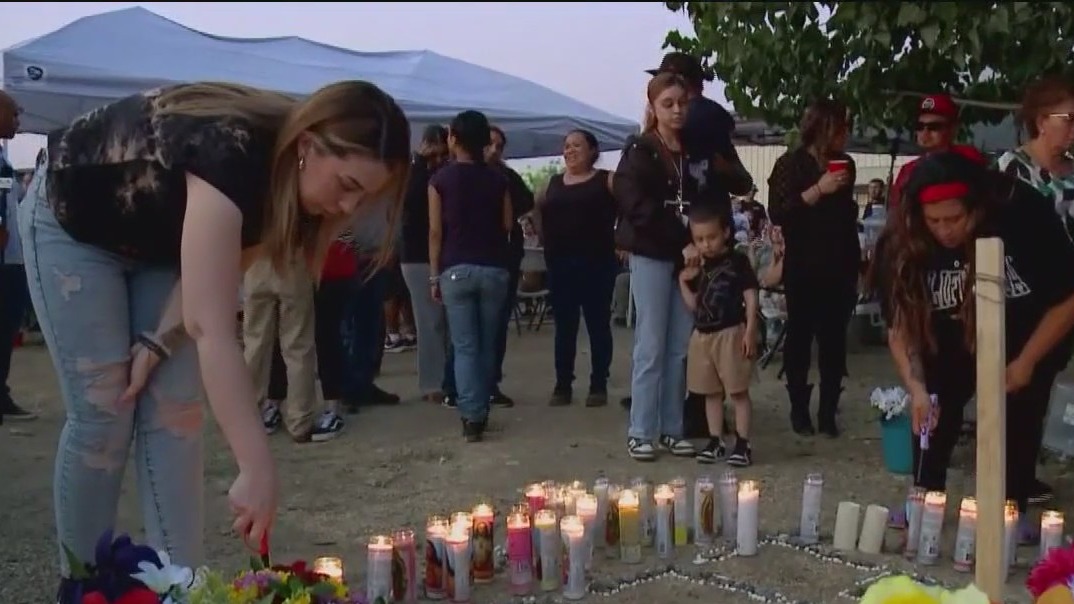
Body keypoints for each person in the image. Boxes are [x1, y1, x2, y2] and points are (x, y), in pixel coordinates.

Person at [19, 81, 410, 594]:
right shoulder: (235, 152)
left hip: (158, 244)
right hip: (73, 225)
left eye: (364, 196)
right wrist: (256, 465)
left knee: (177, 411)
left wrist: (158, 342)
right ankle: (84, 585)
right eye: (347, 184)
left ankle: (182, 588)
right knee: (105, 411)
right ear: (309, 146)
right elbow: (212, 328)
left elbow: (216, 278)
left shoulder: (284, 190)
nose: (346, 207)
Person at [877, 151, 1074, 522]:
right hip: (948, 338)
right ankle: (925, 501)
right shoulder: (903, 241)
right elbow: (899, 325)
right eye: (934, 220)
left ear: (978, 209)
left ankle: (1008, 512)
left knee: (1018, 420)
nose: (945, 230)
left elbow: (1067, 299)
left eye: (955, 218)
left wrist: (1026, 362)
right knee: (934, 407)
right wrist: (915, 386)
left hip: (1023, 333)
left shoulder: (1023, 215)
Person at [614, 73, 749, 462]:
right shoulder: (640, 150)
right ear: (653, 109)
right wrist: (682, 240)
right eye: (667, 104)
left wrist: (706, 242)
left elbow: (708, 198)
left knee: (679, 346)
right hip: (655, 253)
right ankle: (641, 430)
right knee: (651, 344)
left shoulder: (694, 151)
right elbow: (635, 203)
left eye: (681, 103)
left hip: (689, 257)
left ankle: (672, 428)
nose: (676, 110)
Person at [767, 99, 861, 437]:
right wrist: (818, 190)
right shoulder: (791, 164)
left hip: (839, 263)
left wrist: (858, 263)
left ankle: (828, 411)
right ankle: (798, 408)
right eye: (841, 127)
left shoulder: (846, 164)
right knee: (800, 337)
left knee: (834, 341)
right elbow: (778, 211)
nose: (846, 134)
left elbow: (847, 217)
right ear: (823, 128)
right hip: (804, 263)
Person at [429, 110, 512, 442]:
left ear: (452, 138)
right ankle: (484, 405)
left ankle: (471, 416)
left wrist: (434, 277)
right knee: (487, 343)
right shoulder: (498, 179)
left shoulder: (439, 180)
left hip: (454, 268)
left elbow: (435, 232)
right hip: (493, 267)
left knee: (464, 346)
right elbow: (507, 225)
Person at [535, 129, 618, 407]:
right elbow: (536, 207)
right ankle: (562, 385)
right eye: (566, 146)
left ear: (593, 150)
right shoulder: (553, 183)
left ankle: (598, 385)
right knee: (565, 328)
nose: (570, 150)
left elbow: (630, 208)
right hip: (561, 265)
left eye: (577, 145)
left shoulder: (607, 180)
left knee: (598, 326)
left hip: (598, 264)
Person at [678, 205, 759, 467]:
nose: (706, 244)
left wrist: (749, 329)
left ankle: (743, 443)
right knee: (709, 392)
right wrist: (683, 281)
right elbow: (694, 306)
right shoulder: (698, 266)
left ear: (725, 232)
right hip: (702, 336)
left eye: (711, 237)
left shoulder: (737, 262)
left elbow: (750, 294)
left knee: (737, 390)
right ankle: (715, 440)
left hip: (730, 333)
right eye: (699, 239)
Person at [400, 125, 451, 403]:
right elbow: (407, 200)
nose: (442, 156)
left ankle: (447, 378)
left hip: (444, 253)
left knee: (446, 322)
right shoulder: (412, 172)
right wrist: (421, 160)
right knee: (430, 322)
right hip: (417, 255)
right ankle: (432, 382)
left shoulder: (444, 172)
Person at [0, 91, 34, 422]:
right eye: (13, 114)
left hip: (11, 259)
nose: (18, 122)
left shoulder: (2, 159)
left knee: (7, 329)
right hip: (3, 262)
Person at [889, 94, 986, 208]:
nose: (925, 133)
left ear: (953, 129)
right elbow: (897, 210)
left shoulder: (968, 158)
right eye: (919, 126)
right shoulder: (908, 169)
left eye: (934, 127)